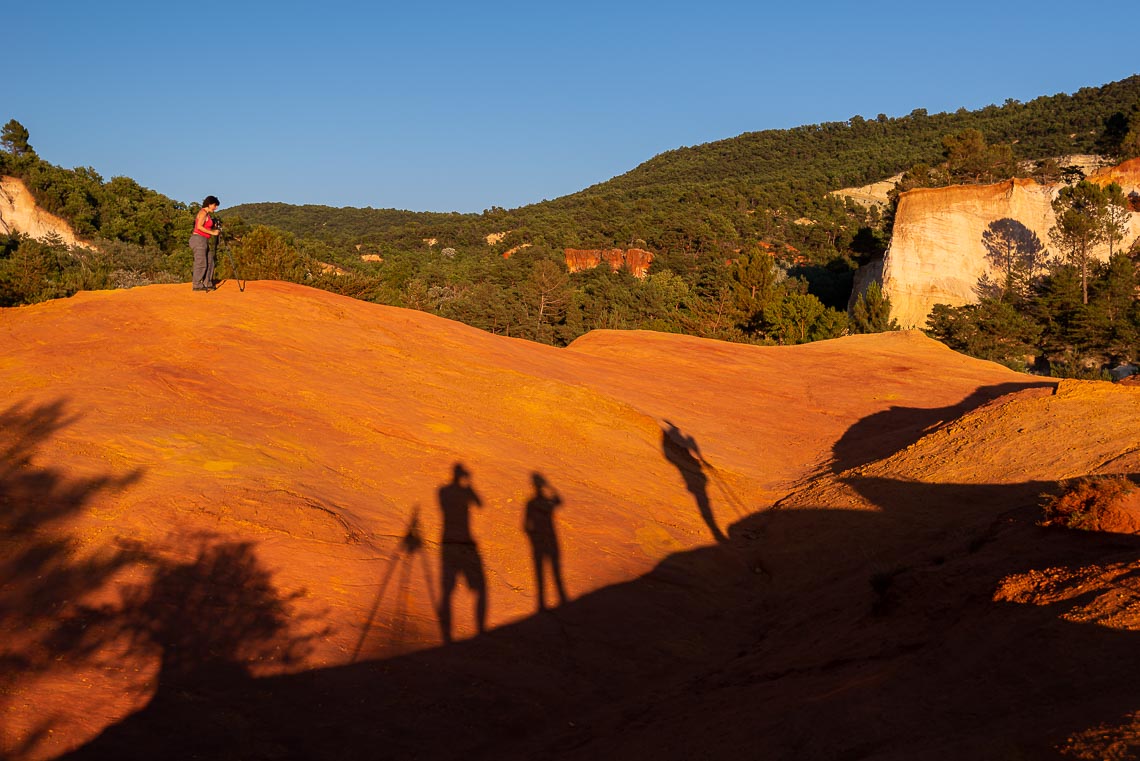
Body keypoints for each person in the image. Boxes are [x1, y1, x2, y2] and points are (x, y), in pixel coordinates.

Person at [190, 196, 221, 291]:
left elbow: (205, 226)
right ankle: (197, 284)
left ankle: (207, 282)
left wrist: (214, 225)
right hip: (198, 239)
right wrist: (213, 232)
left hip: (203, 240)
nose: (216, 208)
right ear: (210, 204)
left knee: (210, 261)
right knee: (201, 262)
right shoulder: (203, 213)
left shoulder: (207, 215)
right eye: (215, 205)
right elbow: (199, 227)